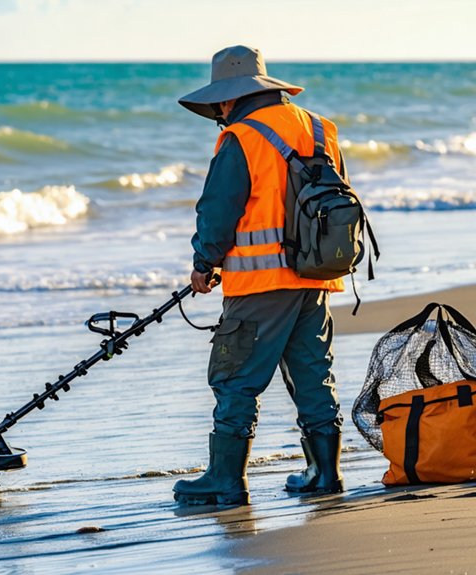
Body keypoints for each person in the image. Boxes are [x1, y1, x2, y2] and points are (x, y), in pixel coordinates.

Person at [172, 45, 348, 506]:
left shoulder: (242, 137)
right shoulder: (319, 127)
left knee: (235, 378)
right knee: (313, 374)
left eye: (220, 105)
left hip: (261, 284)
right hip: (317, 274)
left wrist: (203, 263)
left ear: (229, 98)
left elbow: (218, 209)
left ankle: (225, 480)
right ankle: (324, 474)